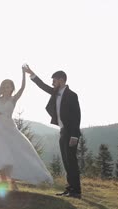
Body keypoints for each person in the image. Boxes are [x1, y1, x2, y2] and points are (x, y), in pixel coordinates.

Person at [23, 64, 82, 198]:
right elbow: (43, 86)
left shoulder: (72, 95)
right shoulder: (56, 93)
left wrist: (74, 135)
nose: (52, 83)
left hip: (71, 133)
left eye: (54, 81)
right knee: (66, 161)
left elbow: (76, 116)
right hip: (63, 131)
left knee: (72, 161)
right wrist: (32, 73)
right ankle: (69, 188)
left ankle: (76, 191)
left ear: (61, 80)